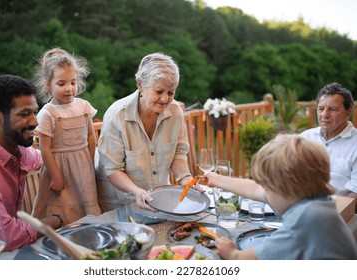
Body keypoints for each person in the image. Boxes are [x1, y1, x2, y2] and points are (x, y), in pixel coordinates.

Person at [203, 134, 357, 259]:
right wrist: (216, 179)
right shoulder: (314, 200)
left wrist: (232, 254)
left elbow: (252, 260)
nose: (265, 191)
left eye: (268, 186)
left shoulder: (305, 220)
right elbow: (256, 189)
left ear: (287, 188)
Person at [0, 75, 62, 257]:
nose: (35, 122)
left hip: (10, 253)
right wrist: (55, 220)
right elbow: (1, 236)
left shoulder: (16, 148)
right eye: (25, 114)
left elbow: (44, 159)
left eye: (35, 112)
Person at [97, 52, 194, 212]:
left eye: (171, 93)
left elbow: (178, 153)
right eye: (159, 91)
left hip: (160, 198)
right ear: (140, 84)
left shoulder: (175, 112)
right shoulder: (117, 116)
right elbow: (113, 169)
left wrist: (186, 179)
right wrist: (137, 192)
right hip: (121, 203)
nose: (165, 99)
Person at [32, 47, 101, 225]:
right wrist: (56, 176)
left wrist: (90, 163)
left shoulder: (83, 106)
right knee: (61, 205)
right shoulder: (48, 113)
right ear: (49, 85)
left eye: (73, 82)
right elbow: (44, 149)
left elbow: (91, 137)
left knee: (87, 204)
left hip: (83, 166)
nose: (69, 88)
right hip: (59, 168)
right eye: (61, 84)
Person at [300, 82, 357, 209]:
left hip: (339, 214)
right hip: (300, 208)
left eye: (333, 109)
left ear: (348, 113)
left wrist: (328, 214)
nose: (325, 115)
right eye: (321, 109)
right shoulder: (304, 138)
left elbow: (356, 194)